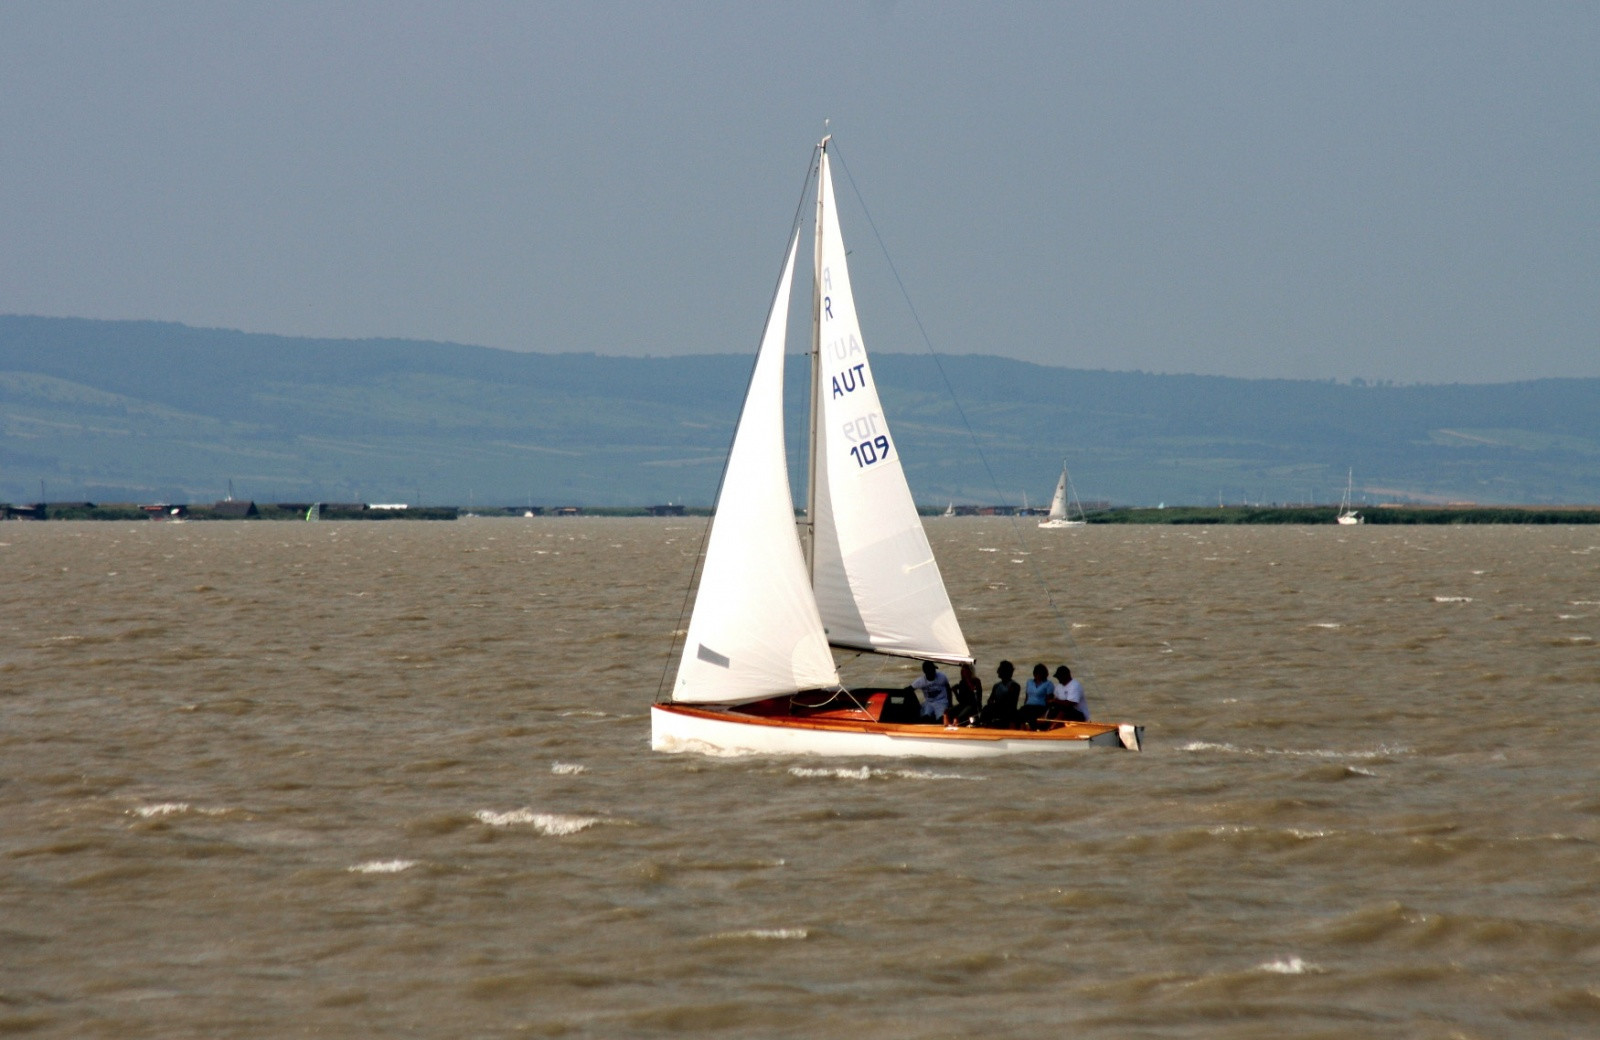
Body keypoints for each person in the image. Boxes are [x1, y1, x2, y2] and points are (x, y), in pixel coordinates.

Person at [980, 660, 1020, 729]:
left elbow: (1010, 702)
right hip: (998, 708)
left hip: (1008, 710)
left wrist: (996, 704)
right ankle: (984, 726)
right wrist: (991, 702)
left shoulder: (1014, 686)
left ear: (1005, 672)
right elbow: (990, 699)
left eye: (999, 669)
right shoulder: (996, 686)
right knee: (985, 709)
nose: (997, 671)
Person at [1019, 663, 1052, 729]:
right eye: (1036, 673)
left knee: (1032, 718)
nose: (1037, 675)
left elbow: (1049, 700)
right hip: (1028, 706)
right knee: (1019, 714)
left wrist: (1045, 713)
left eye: (1040, 673)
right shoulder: (1029, 682)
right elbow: (1027, 696)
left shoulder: (1048, 684)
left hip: (1040, 707)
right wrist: (1025, 705)